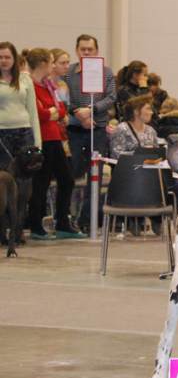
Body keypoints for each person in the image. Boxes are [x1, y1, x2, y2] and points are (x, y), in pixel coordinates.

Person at [26, 48, 84, 240]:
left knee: (66, 179)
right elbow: (39, 113)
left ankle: (62, 222)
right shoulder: (30, 85)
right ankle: (36, 225)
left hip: (55, 137)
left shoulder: (48, 85)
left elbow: (59, 110)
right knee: (41, 183)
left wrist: (52, 112)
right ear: (43, 64)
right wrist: (51, 112)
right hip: (42, 138)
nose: (53, 66)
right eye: (51, 62)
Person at [64, 34, 116, 232]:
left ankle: (87, 220)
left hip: (98, 129)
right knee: (73, 172)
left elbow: (111, 97)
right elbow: (63, 97)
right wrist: (78, 113)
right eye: (83, 49)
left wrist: (91, 109)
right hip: (75, 130)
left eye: (90, 49)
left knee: (96, 174)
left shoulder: (106, 72)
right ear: (77, 50)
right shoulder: (68, 73)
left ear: (97, 51)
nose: (86, 52)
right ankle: (66, 217)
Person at [0, 42, 41, 171]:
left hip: (25, 133)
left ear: (14, 59)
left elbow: (33, 112)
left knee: (26, 175)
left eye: (7, 57)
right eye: (0, 57)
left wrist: (38, 142)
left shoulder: (25, 79)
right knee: (4, 174)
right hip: (2, 133)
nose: (3, 60)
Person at [109, 94, 158, 159]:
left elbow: (157, 153)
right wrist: (139, 153)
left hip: (148, 165)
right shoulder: (122, 129)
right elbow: (115, 154)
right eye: (148, 109)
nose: (151, 112)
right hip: (128, 165)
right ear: (136, 111)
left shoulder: (151, 130)